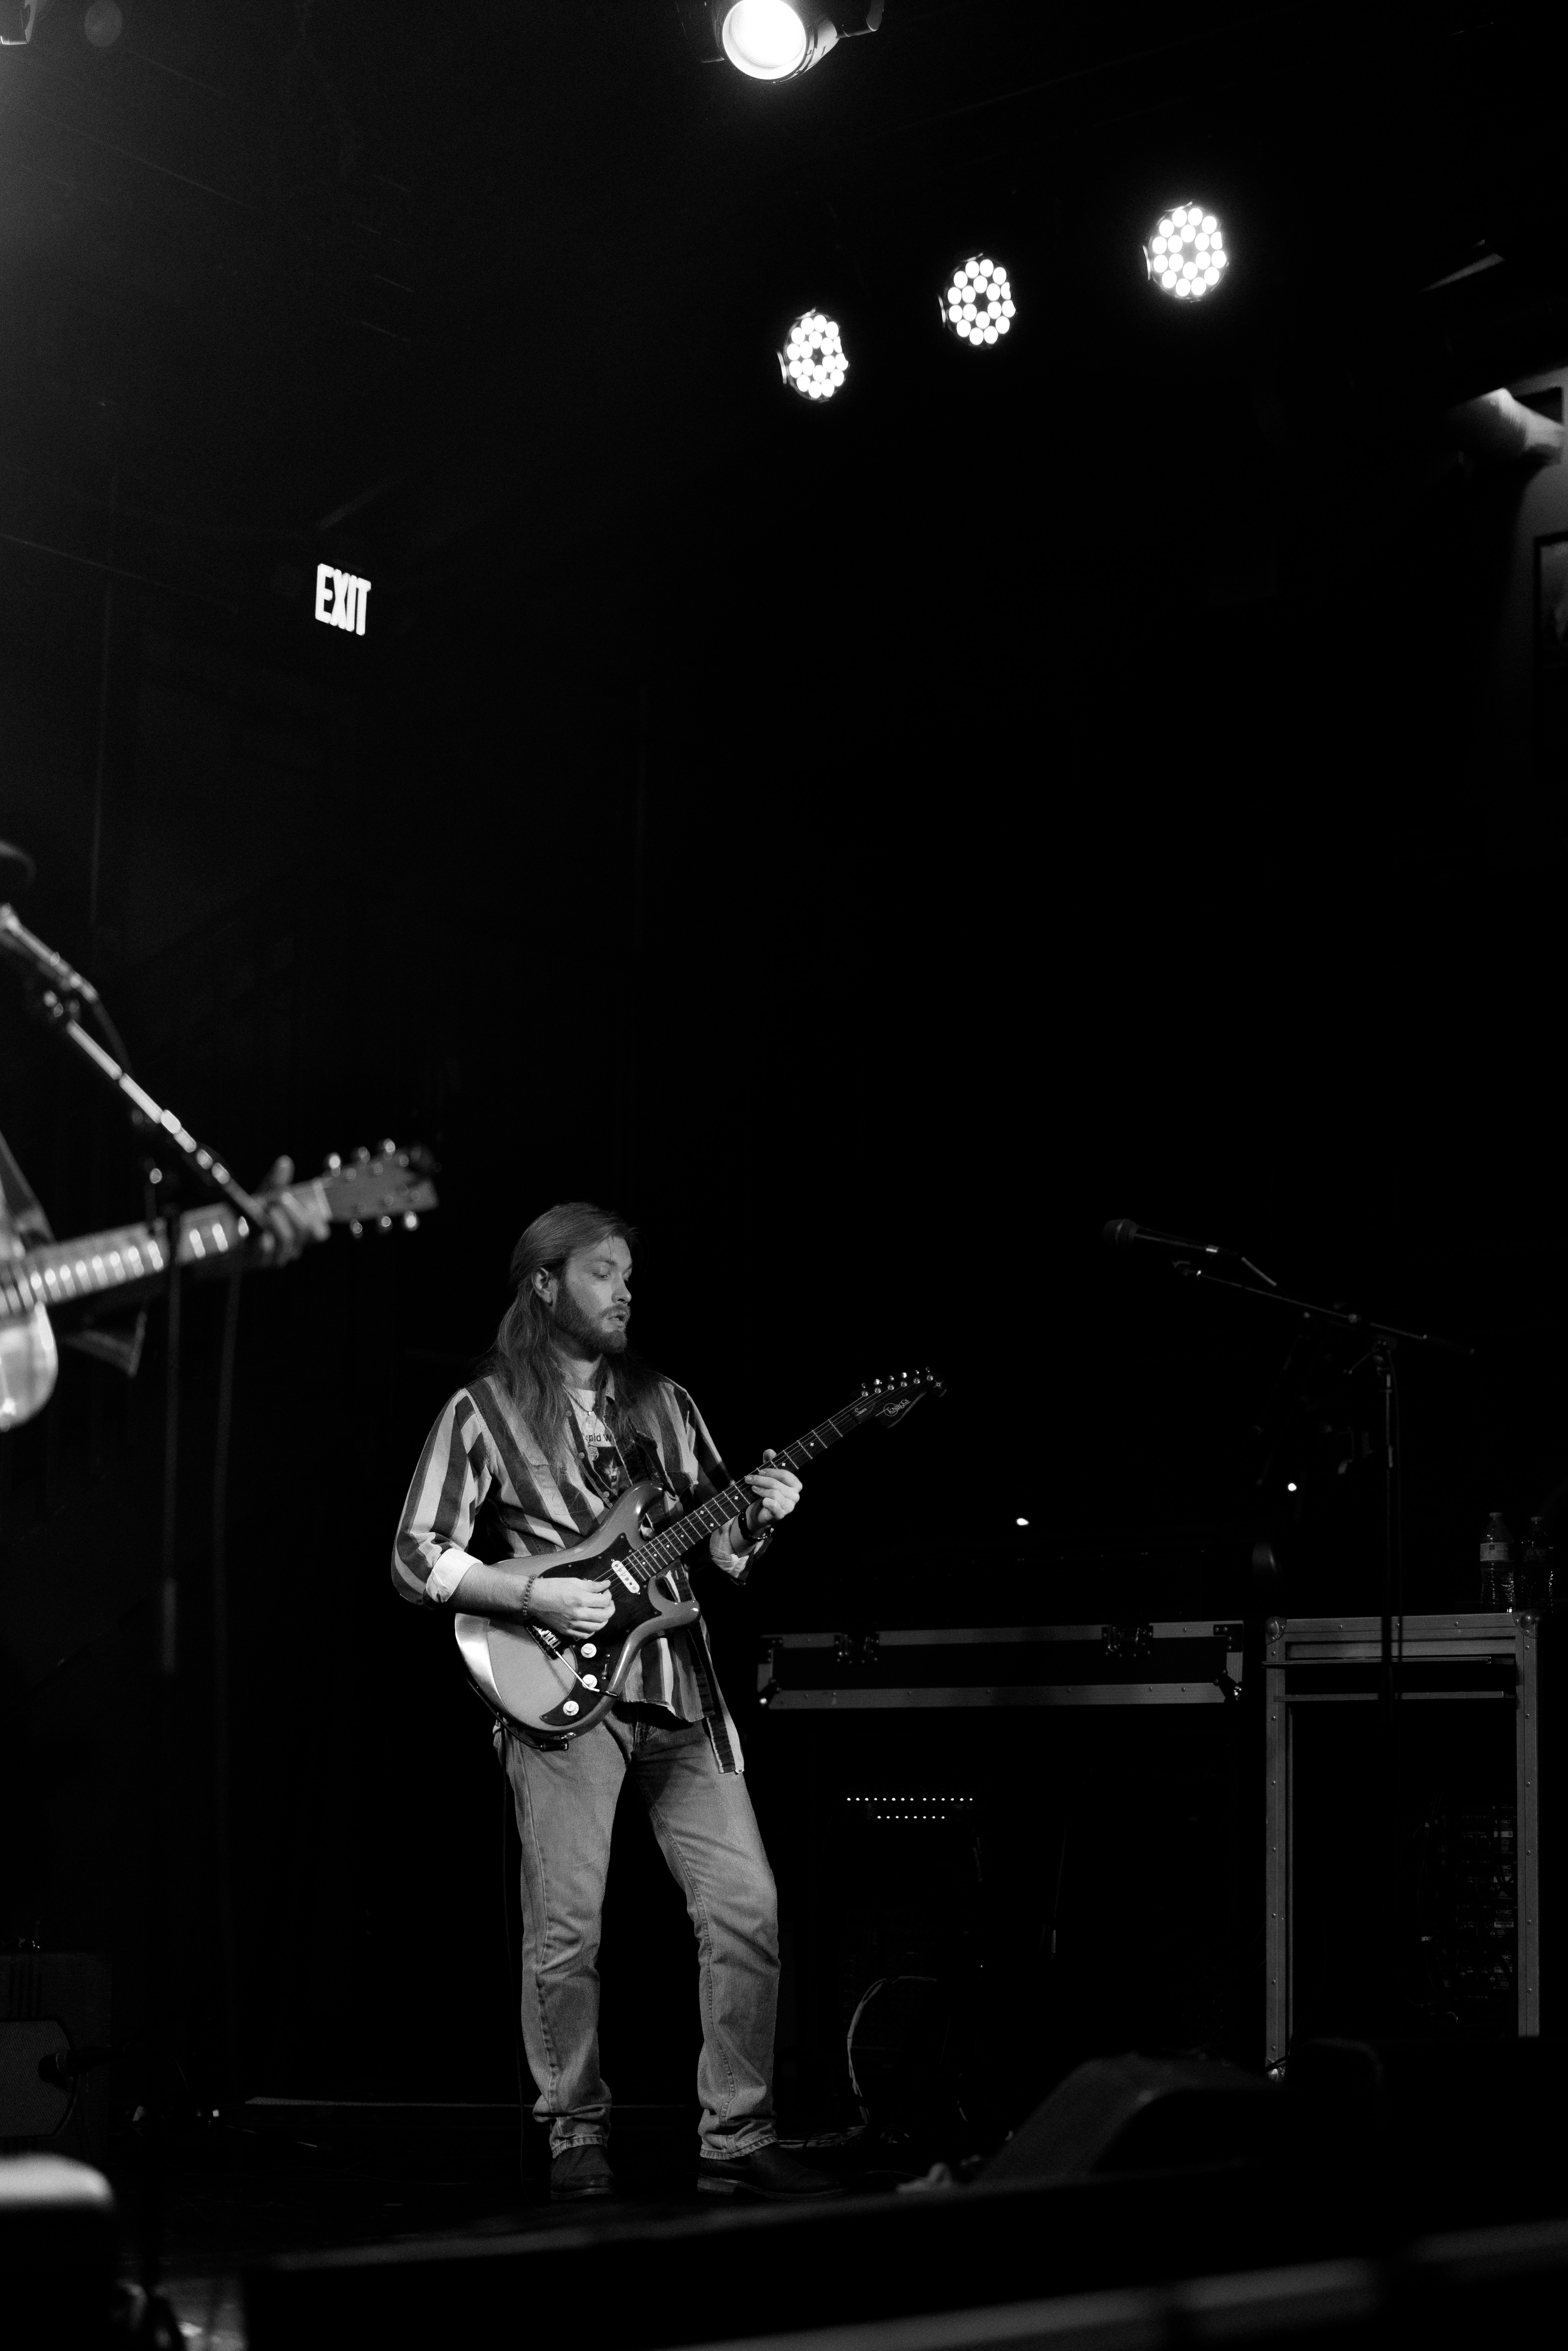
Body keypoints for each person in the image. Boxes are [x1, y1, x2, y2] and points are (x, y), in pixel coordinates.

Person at [392, 1201, 836, 2204]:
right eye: (601, 1272)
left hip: (680, 1692)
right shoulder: (484, 1411)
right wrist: (529, 1592)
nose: (624, 1290)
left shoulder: (667, 1406)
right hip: (558, 1699)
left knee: (746, 1911)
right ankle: (573, 2133)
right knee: (565, 1931)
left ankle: (739, 2131)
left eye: (628, 1274)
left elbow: (721, 1551)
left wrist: (761, 1516)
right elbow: (415, 1553)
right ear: (545, 1285)